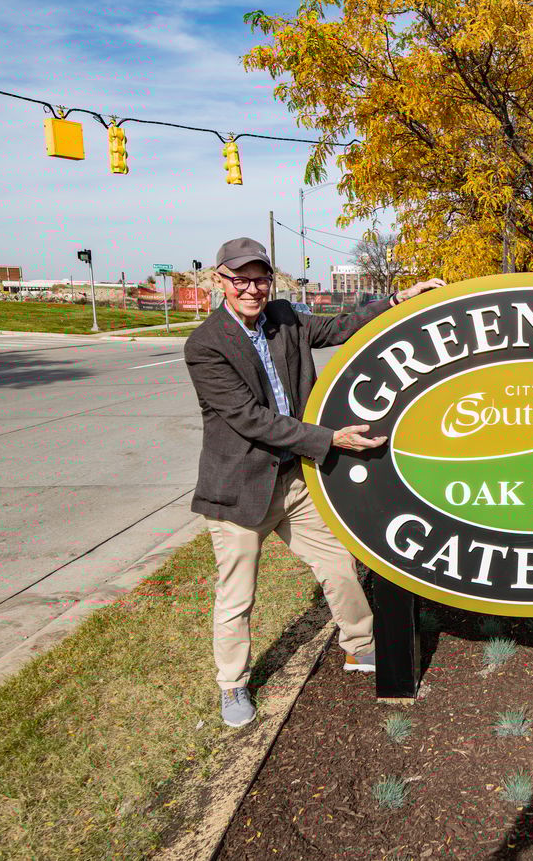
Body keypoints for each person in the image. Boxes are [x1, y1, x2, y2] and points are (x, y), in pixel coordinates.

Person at [184, 236, 444, 727]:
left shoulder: (284, 317)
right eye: (240, 280)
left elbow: (339, 326)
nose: (252, 289)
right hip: (239, 491)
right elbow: (249, 419)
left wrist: (397, 300)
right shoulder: (205, 345)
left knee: (339, 565)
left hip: (293, 479)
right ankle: (232, 685)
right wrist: (329, 439)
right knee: (237, 595)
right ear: (220, 281)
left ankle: (360, 646)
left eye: (260, 279)